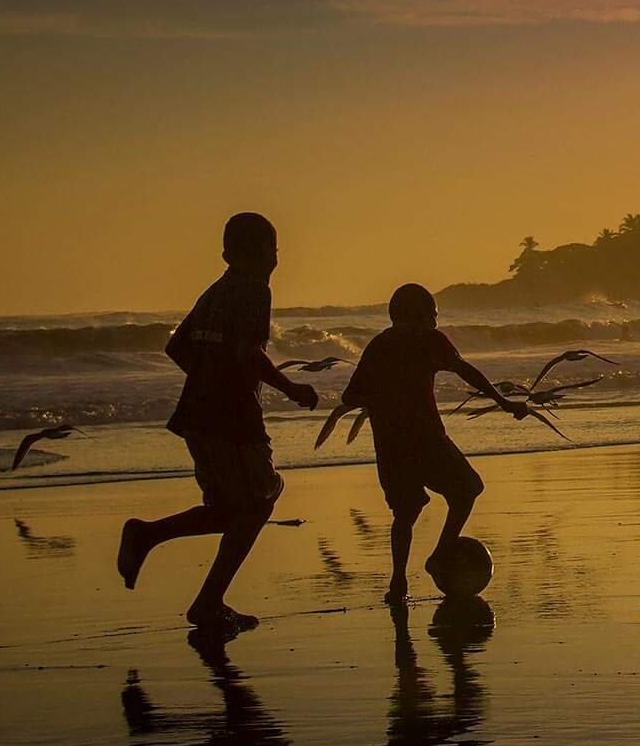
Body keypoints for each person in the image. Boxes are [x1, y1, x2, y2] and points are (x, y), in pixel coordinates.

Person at [117, 213, 318, 633]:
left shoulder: (217, 291)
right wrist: (290, 388)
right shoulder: (252, 291)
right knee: (261, 499)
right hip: (231, 418)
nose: (274, 259)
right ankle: (207, 602)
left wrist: (209, 375)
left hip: (197, 414)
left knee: (229, 510)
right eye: (267, 250)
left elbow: (177, 347)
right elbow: (247, 351)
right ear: (235, 254)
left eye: (275, 249)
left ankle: (147, 536)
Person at [337, 283, 533, 600]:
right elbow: (466, 371)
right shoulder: (427, 339)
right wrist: (503, 401)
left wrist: (382, 395)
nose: (436, 322)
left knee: (404, 514)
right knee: (468, 488)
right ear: (417, 313)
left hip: (391, 447)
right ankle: (439, 555)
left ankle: (397, 582)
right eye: (433, 314)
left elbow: (350, 395)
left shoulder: (378, 345)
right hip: (427, 440)